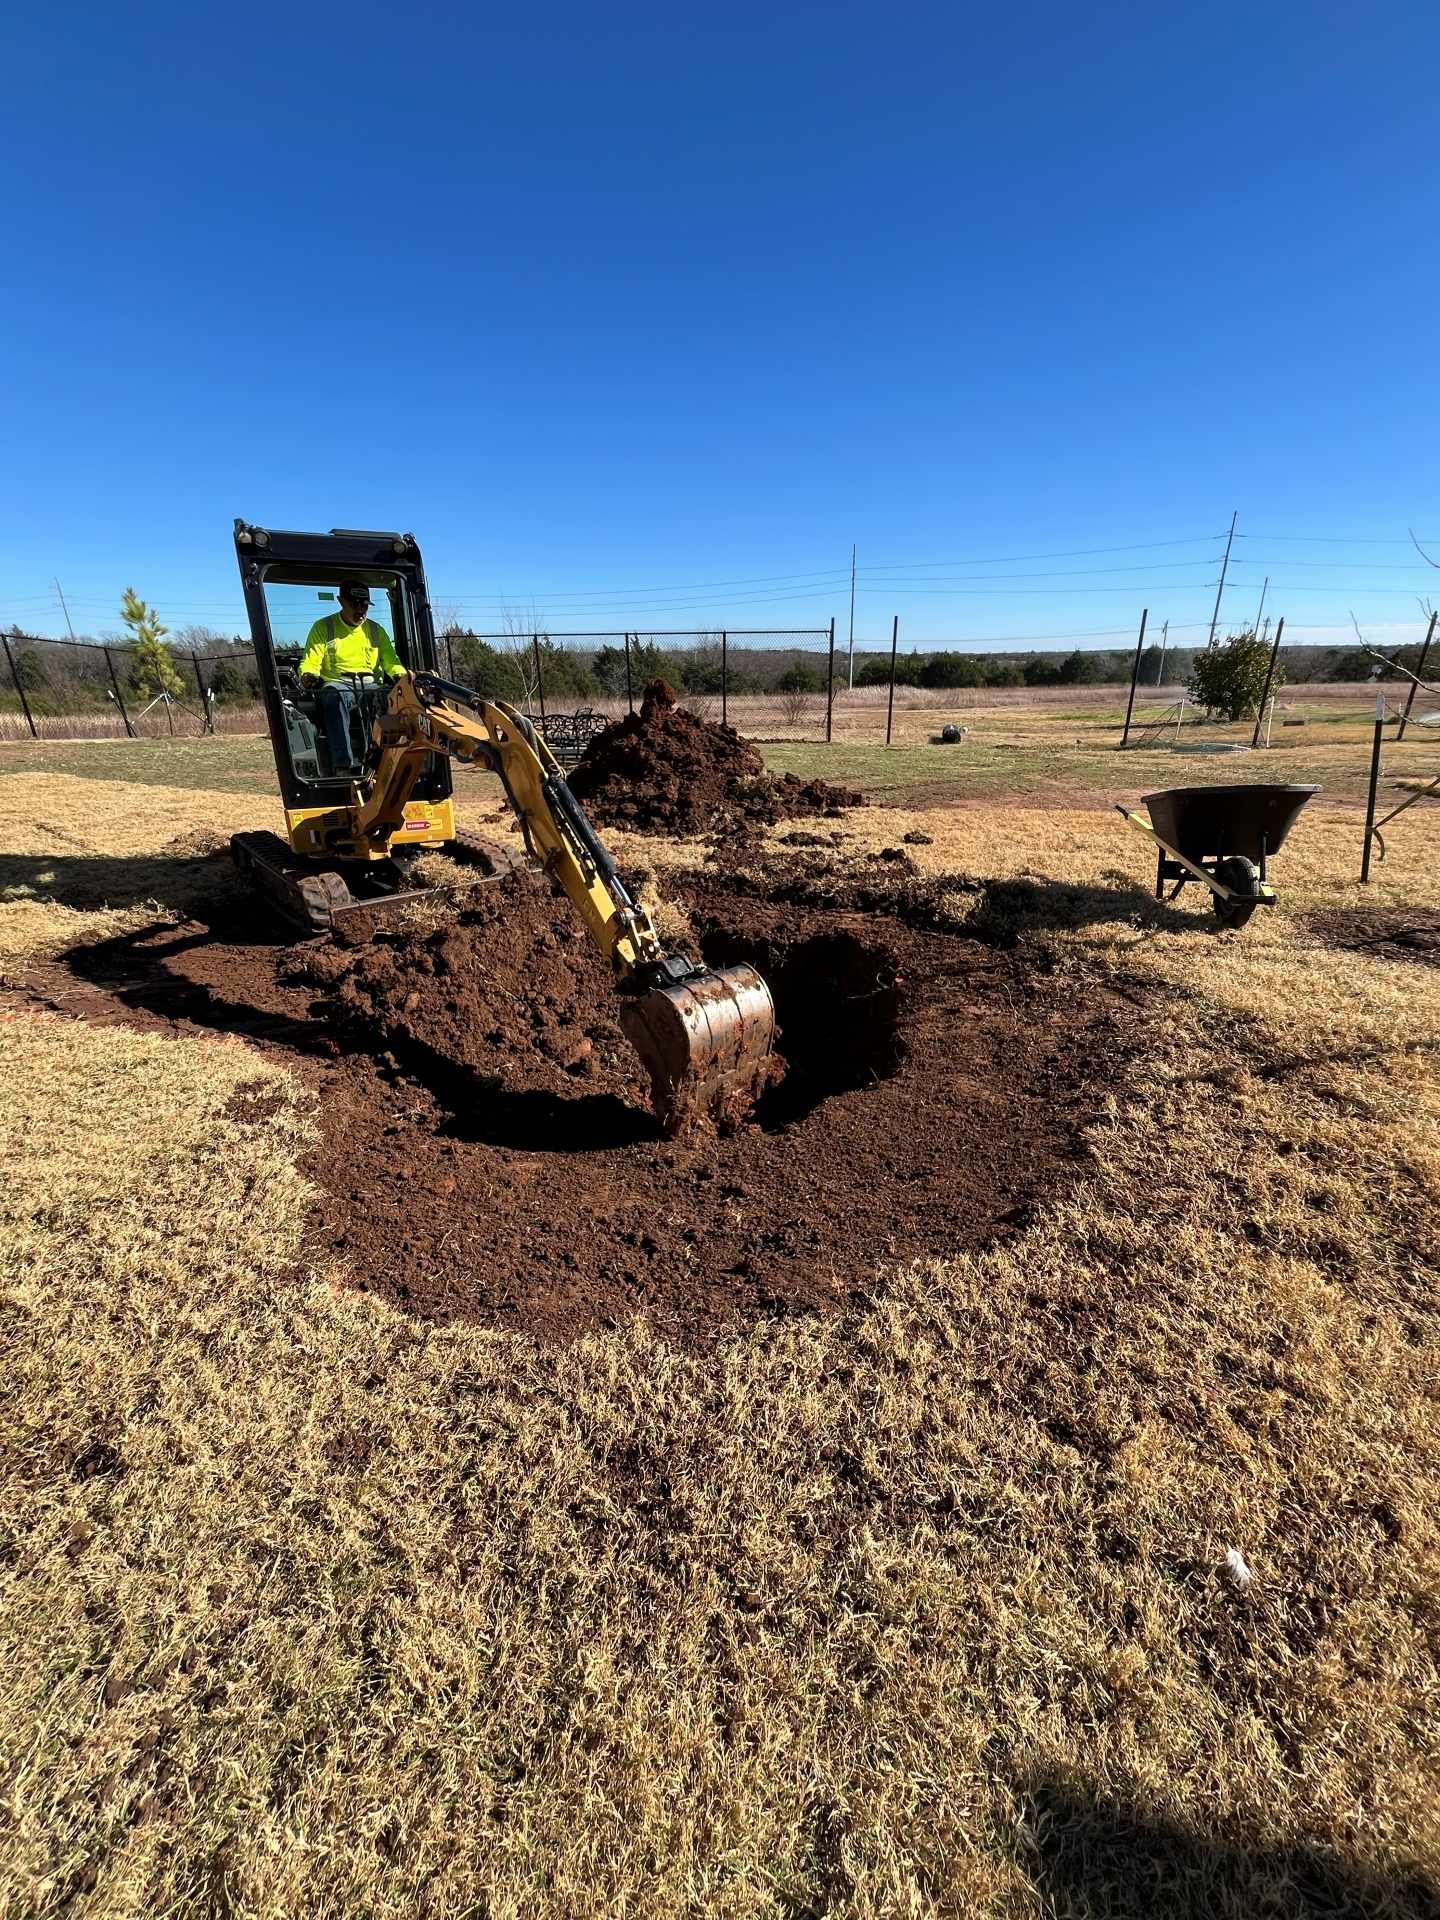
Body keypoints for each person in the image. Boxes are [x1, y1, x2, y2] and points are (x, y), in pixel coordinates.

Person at [297, 580, 404, 775]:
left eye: (364, 605)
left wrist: (402, 676)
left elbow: (391, 661)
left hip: (369, 685)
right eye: (354, 604)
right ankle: (343, 765)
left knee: (388, 699)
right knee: (334, 698)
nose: (360, 610)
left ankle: (384, 761)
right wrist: (308, 675)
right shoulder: (324, 627)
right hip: (338, 684)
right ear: (340, 601)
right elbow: (311, 661)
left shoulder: (375, 630)